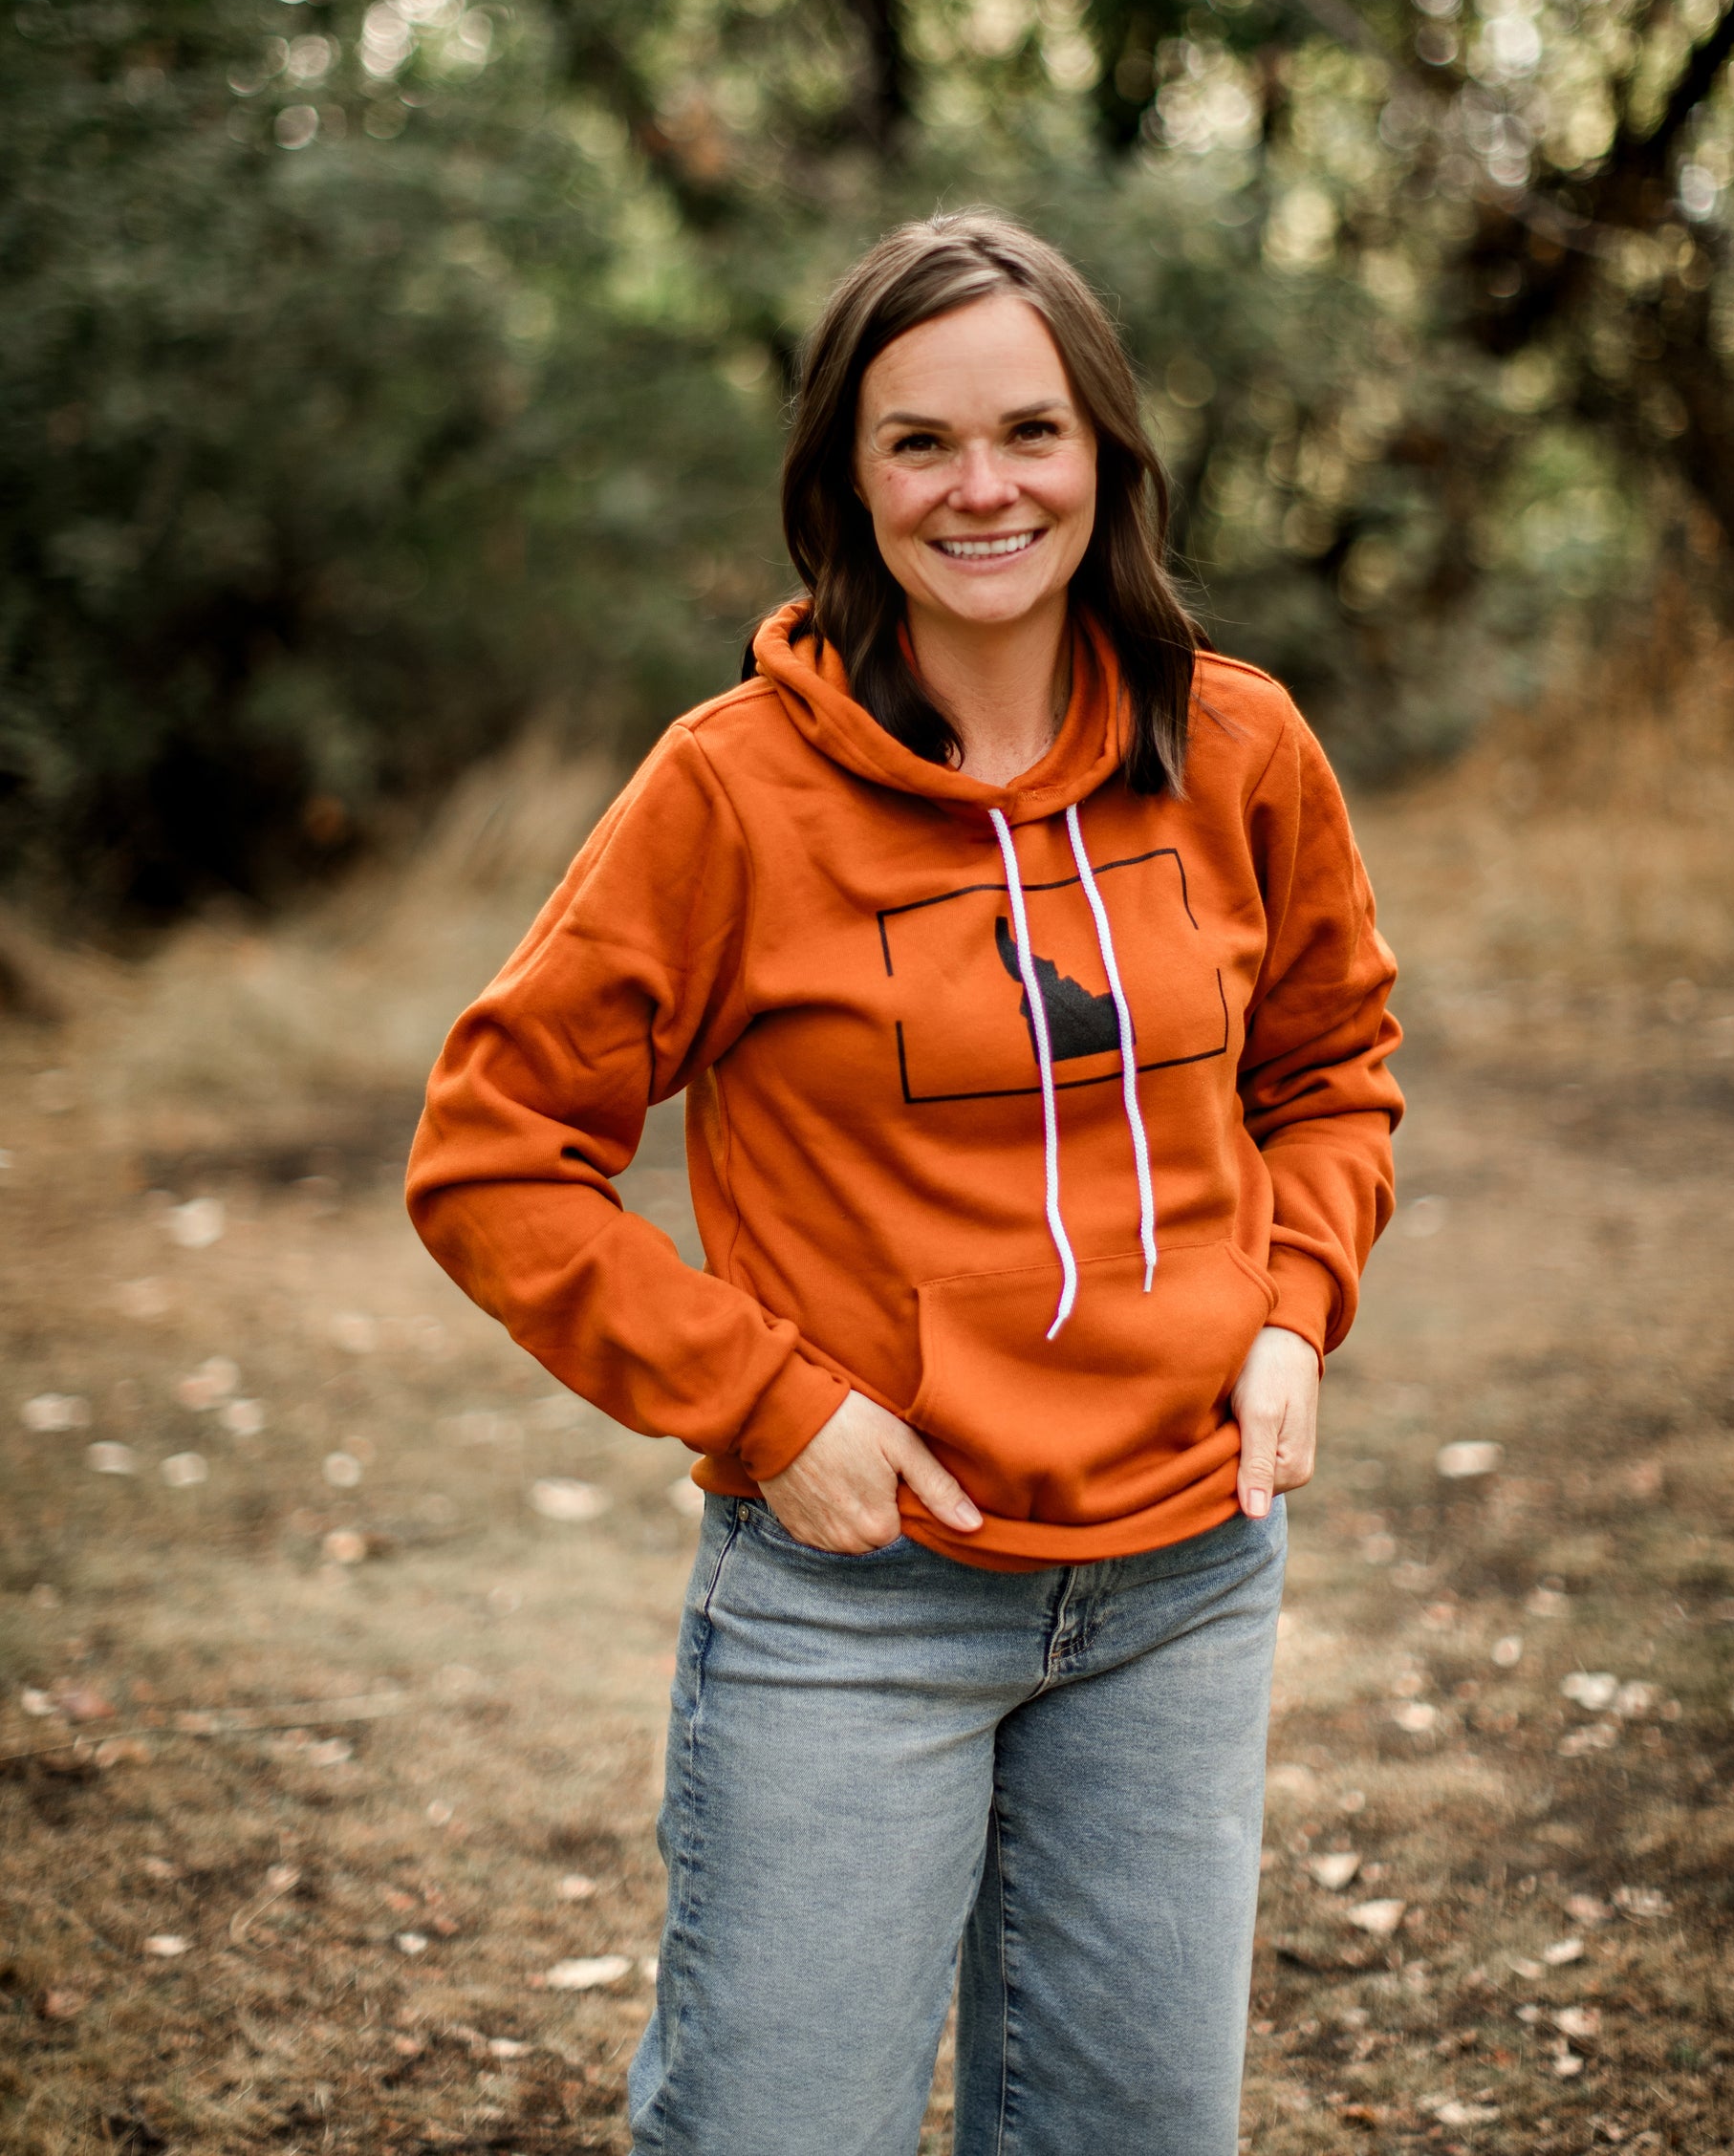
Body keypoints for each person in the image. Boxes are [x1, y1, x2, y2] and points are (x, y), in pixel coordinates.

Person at [407, 210, 1401, 2156]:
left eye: (1028, 429)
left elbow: (1330, 1069)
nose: (982, 486)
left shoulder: (1241, 744)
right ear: (844, 482)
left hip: (1186, 1578)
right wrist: (772, 1405)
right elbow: (493, 1150)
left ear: (1104, 451)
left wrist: (1292, 1311)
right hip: (858, 1603)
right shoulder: (726, 794)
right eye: (917, 441)